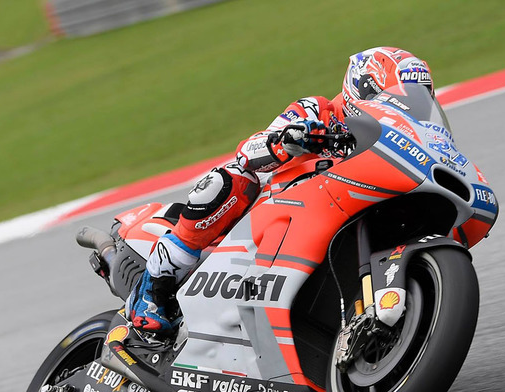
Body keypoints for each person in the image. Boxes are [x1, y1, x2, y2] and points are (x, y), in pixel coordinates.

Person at [126, 46, 434, 333]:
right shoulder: (319, 111)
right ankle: (153, 290)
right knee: (230, 180)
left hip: (331, 227)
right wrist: (288, 139)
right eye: (388, 96)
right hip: (269, 217)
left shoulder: (400, 142)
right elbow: (248, 152)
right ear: (362, 88)